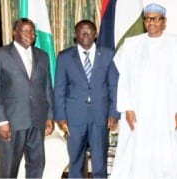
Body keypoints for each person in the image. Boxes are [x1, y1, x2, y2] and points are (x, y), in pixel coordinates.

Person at [110, 3, 177, 178]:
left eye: (155, 19)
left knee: (167, 154)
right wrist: (127, 108)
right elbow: (124, 80)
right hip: (139, 111)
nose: (151, 23)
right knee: (137, 154)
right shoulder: (132, 44)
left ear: (164, 22)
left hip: (167, 110)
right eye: (147, 19)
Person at [0, 18, 54, 178]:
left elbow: (47, 88)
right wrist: (1, 121)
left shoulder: (42, 56)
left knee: (37, 165)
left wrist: (49, 116)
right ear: (14, 32)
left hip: (37, 121)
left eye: (32, 32)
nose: (30, 35)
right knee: (9, 168)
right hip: (12, 122)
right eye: (25, 31)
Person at [54, 19, 120, 178]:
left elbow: (114, 86)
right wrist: (61, 117)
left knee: (99, 161)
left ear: (95, 34)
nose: (85, 34)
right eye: (81, 31)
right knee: (75, 161)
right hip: (74, 118)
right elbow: (59, 89)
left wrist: (114, 113)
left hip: (100, 116)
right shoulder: (64, 57)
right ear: (75, 35)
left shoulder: (108, 54)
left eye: (89, 31)